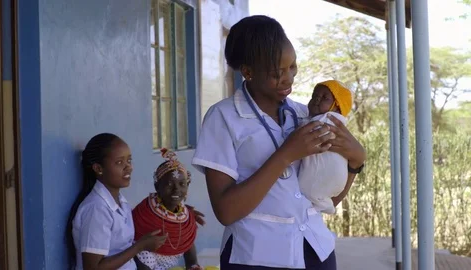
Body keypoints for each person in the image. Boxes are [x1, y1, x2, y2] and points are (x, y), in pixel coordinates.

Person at [192, 15, 366, 270]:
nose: (289, 78)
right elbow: (226, 212)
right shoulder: (223, 118)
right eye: (277, 72)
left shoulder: (308, 116)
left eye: (293, 66)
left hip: (315, 251)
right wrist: (286, 155)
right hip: (255, 258)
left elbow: (325, 199)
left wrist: (355, 162)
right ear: (248, 72)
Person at [67, 133, 167, 270]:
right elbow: (92, 267)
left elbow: (123, 252)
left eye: (129, 161)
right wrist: (139, 247)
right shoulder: (97, 208)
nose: (129, 167)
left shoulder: (121, 202)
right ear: (98, 169)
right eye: (119, 162)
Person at [132, 148, 203, 270]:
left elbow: (188, 243)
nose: (176, 190)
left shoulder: (186, 216)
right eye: (169, 184)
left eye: (182, 184)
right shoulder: (144, 213)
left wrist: (193, 265)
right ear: (157, 186)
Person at [298, 80, 354, 214]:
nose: (317, 99)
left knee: (306, 188)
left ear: (336, 107)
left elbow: (303, 134)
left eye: (325, 97)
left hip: (321, 178)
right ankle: (324, 205)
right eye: (314, 96)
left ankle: (323, 206)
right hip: (337, 181)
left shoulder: (328, 119)